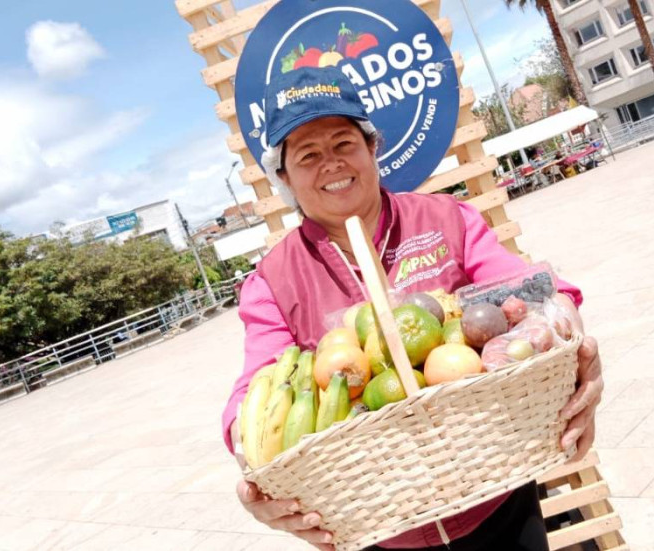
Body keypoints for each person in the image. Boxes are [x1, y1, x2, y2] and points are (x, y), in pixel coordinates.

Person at [223, 66, 604, 551]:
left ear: (372, 147)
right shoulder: (272, 282)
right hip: (381, 530)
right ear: (284, 177)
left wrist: (572, 339)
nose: (332, 164)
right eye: (308, 155)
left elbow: (532, 292)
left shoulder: (447, 219)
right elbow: (255, 384)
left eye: (344, 144)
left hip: (499, 495)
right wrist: (251, 461)